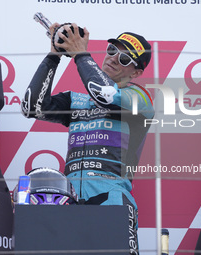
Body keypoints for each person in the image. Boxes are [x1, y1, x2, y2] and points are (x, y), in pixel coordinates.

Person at [21, 23, 155, 254]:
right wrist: (54, 56)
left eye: (124, 59)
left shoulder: (140, 99)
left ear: (136, 73)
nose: (113, 59)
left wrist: (80, 53)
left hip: (111, 197)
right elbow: (31, 107)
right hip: (67, 198)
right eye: (112, 50)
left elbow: (105, 94)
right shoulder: (77, 101)